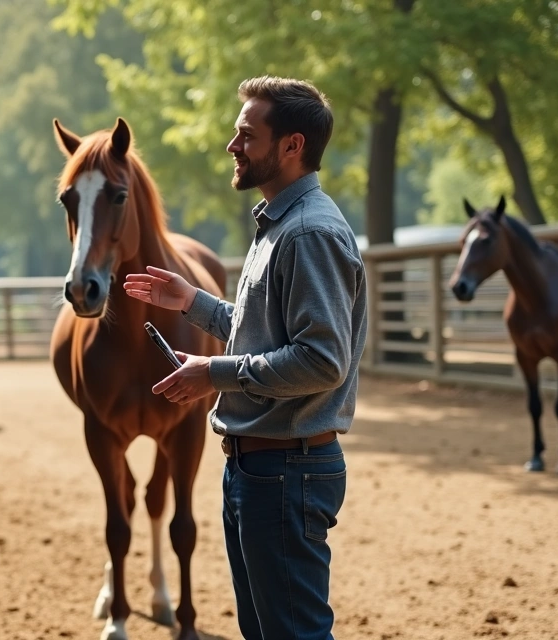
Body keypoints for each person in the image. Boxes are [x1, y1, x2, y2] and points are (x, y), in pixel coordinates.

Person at [123, 75, 368, 640]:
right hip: (260, 468)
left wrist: (214, 372)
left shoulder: (308, 233)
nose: (233, 146)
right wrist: (194, 303)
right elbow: (268, 333)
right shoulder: (279, 225)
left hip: (285, 470)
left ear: (291, 145)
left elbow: (320, 360)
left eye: (245, 135)